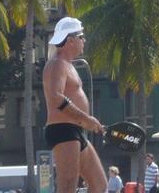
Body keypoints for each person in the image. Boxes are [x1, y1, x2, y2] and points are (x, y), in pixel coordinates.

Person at [43, 17, 107, 193]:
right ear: (70, 41)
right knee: (68, 185)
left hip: (76, 130)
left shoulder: (67, 65)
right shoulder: (57, 64)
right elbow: (56, 97)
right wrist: (85, 119)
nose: (84, 40)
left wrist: (86, 122)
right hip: (63, 129)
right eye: (81, 36)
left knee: (100, 185)